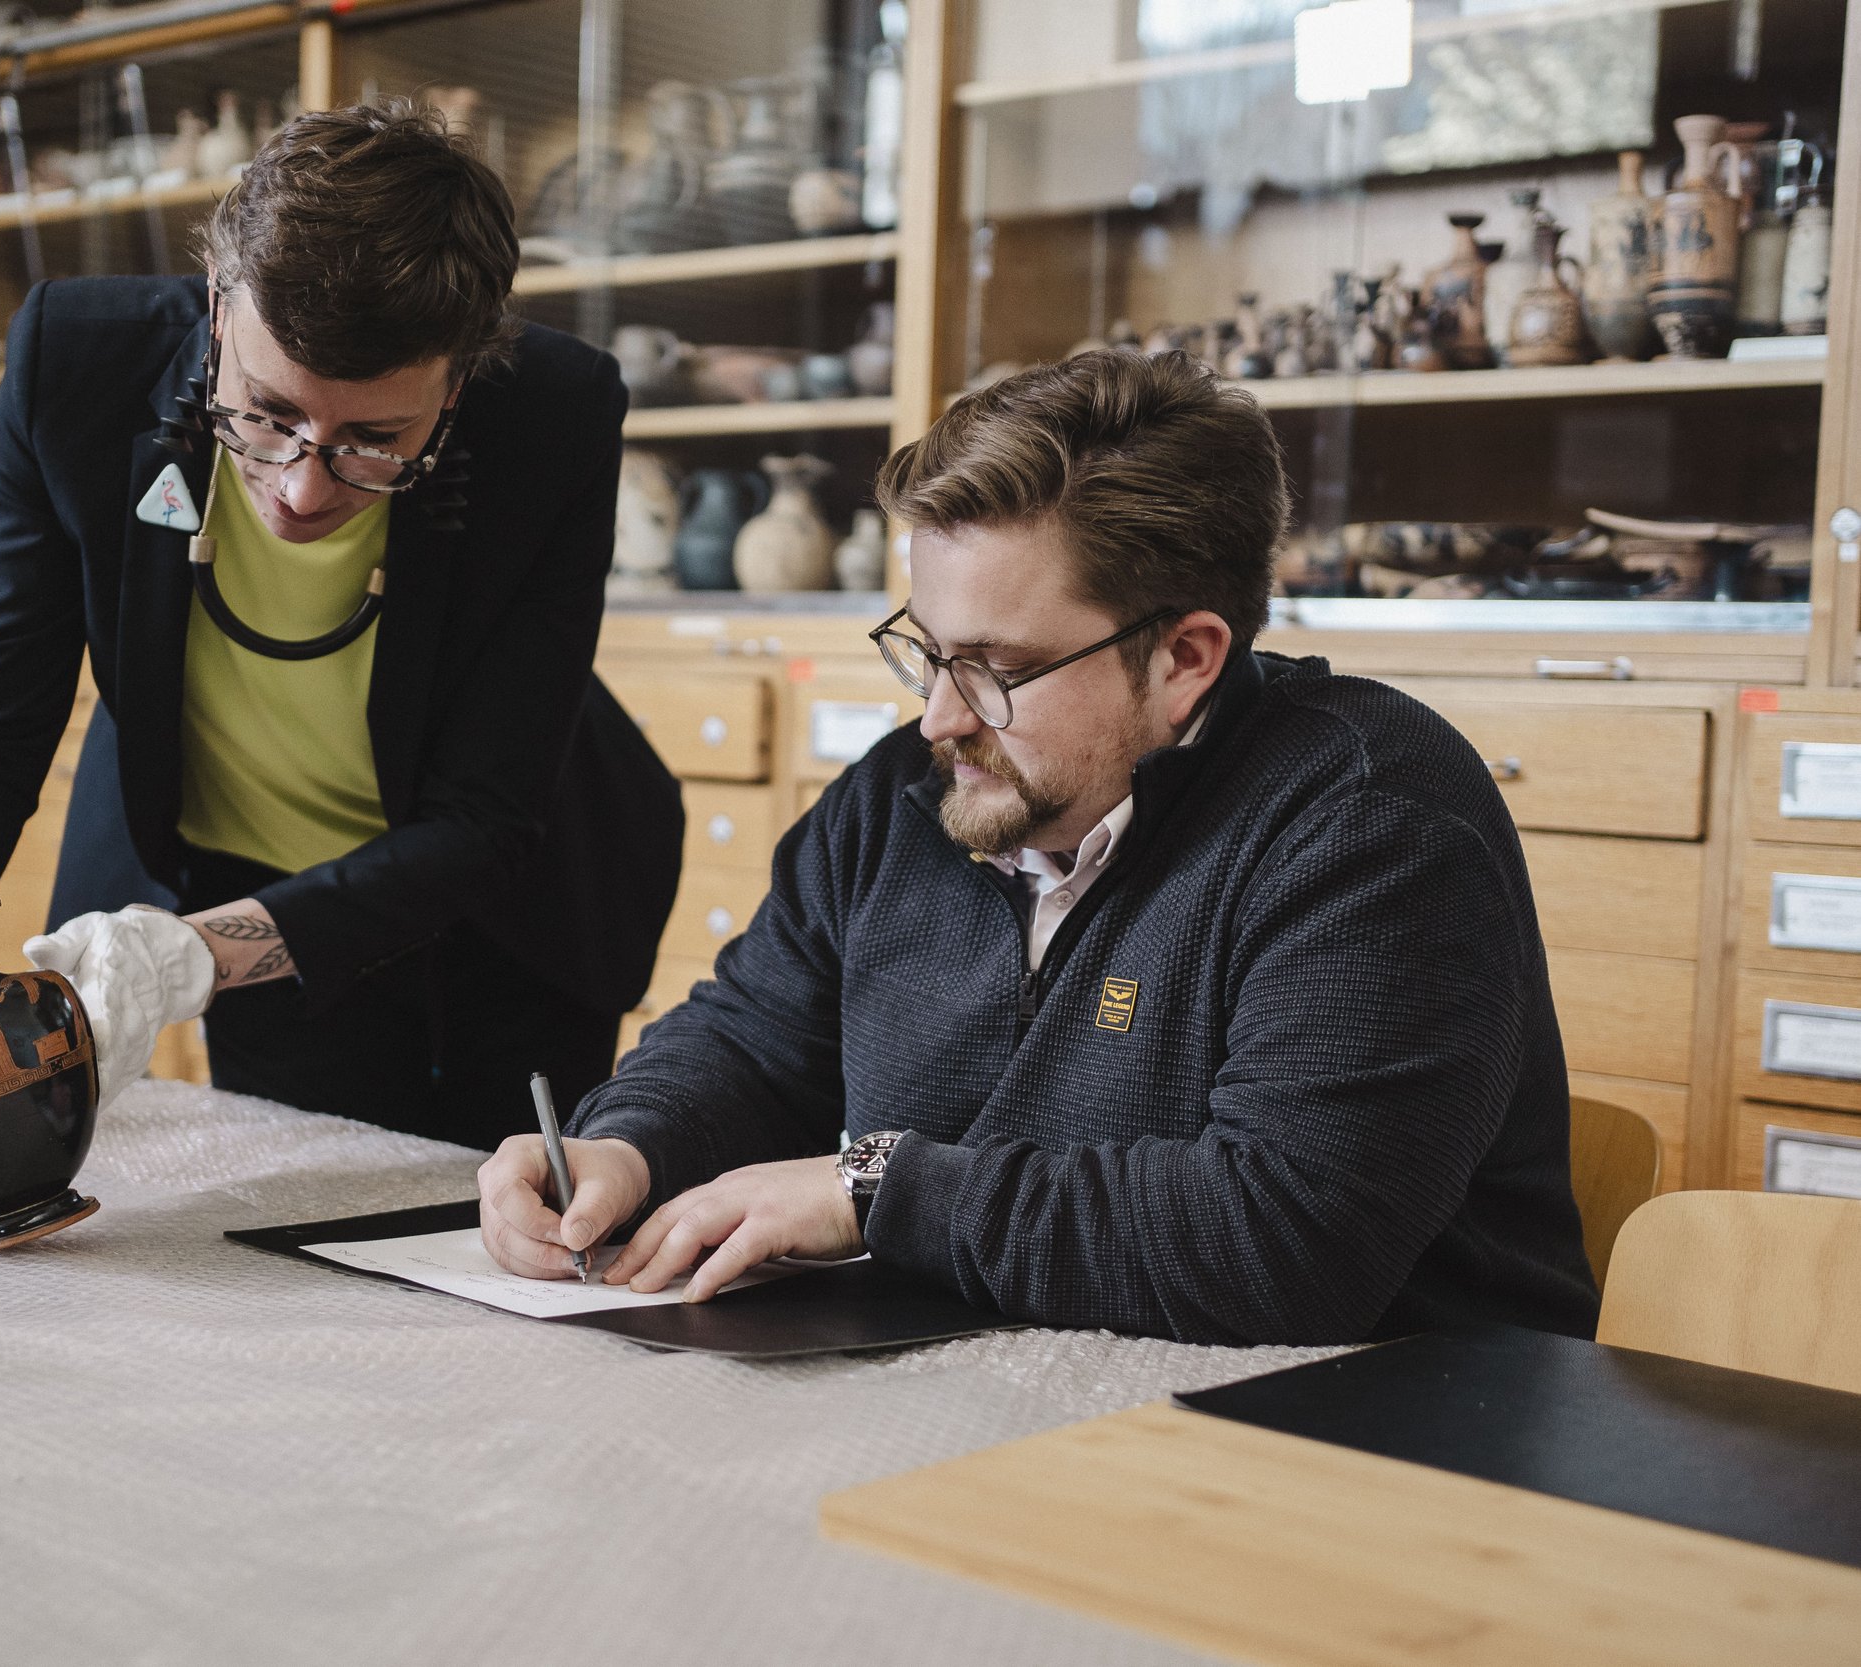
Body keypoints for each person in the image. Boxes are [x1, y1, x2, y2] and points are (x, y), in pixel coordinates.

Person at [476, 348, 1601, 1346]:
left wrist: (876, 1187)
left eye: (997, 668)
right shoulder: (905, 798)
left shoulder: (1370, 819)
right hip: (998, 1384)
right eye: (925, 651)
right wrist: (625, 1147)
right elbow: (756, 1038)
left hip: (1381, 1454)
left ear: (1184, 659)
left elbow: (1283, 1241)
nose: (937, 717)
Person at [0, 104, 681, 1184]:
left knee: (501, 1231)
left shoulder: (555, 415)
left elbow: (485, 819)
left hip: (508, 917)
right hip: (254, 897)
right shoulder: (76, 362)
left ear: (458, 381)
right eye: (265, 413)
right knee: (307, 1233)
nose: (303, 487)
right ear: (218, 306)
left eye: (374, 440)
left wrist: (185, 960)